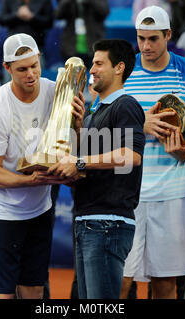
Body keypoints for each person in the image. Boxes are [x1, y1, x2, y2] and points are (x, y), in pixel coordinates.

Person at [120, 5, 185, 299]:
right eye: (141, 38)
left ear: (168, 35)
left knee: (166, 285)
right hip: (127, 192)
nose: (146, 46)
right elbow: (100, 132)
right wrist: (141, 124)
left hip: (175, 192)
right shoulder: (121, 70)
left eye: (154, 39)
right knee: (119, 282)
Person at [0, 33, 84, 299]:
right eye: (22, 69)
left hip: (39, 209)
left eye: (34, 65)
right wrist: (32, 181)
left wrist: (78, 126)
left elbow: (72, 146)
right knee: (1, 293)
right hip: (2, 212)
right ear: (6, 69)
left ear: (40, 59)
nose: (31, 74)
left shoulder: (55, 92)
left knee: (34, 289)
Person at [48, 39, 146, 299]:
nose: (91, 70)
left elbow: (131, 155)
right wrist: (63, 166)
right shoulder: (93, 115)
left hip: (107, 223)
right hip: (87, 221)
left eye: (99, 63)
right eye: (92, 63)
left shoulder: (125, 105)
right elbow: (87, 164)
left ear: (119, 68)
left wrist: (78, 163)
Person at [55, 0, 109, 69]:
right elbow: (58, 15)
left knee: (95, 76)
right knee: (72, 76)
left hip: (94, 44)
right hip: (70, 46)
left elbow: (104, 12)